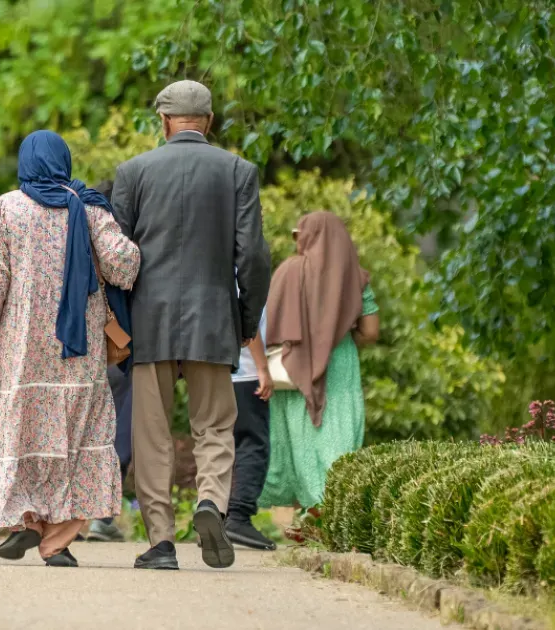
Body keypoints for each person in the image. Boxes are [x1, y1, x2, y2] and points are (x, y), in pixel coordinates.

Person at [111, 80, 271, 570]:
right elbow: (253, 256)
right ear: (210, 121)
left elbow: (117, 258)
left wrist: (117, 326)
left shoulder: (133, 172)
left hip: (148, 323)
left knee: (152, 436)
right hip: (213, 319)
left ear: (163, 121)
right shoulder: (238, 171)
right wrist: (246, 320)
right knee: (216, 426)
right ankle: (210, 502)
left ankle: (161, 542)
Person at [0, 131, 140, 567]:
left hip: (21, 353)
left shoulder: (7, 208)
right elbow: (124, 267)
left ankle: (26, 519)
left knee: (20, 432)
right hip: (78, 354)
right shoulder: (88, 207)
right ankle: (56, 542)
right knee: (81, 439)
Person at [256, 212, 380, 540]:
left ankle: (311, 517)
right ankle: (327, 519)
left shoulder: (288, 271)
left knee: (298, 442)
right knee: (336, 438)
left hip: (292, 370)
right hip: (338, 365)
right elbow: (371, 331)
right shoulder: (355, 278)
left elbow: (267, 324)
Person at [86, 179, 134, 543]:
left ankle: (67, 518)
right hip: (117, 348)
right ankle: (101, 517)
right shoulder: (119, 242)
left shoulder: (68, 238)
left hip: (76, 349)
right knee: (120, 430)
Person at [224, 306, 277, 551]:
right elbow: (247, 315)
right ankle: (238, 517)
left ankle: (216, 517)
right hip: (244, 372)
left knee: (218, 446)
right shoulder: (240, 279)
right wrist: (262, 368)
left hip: (213, 371)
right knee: (253, 445)